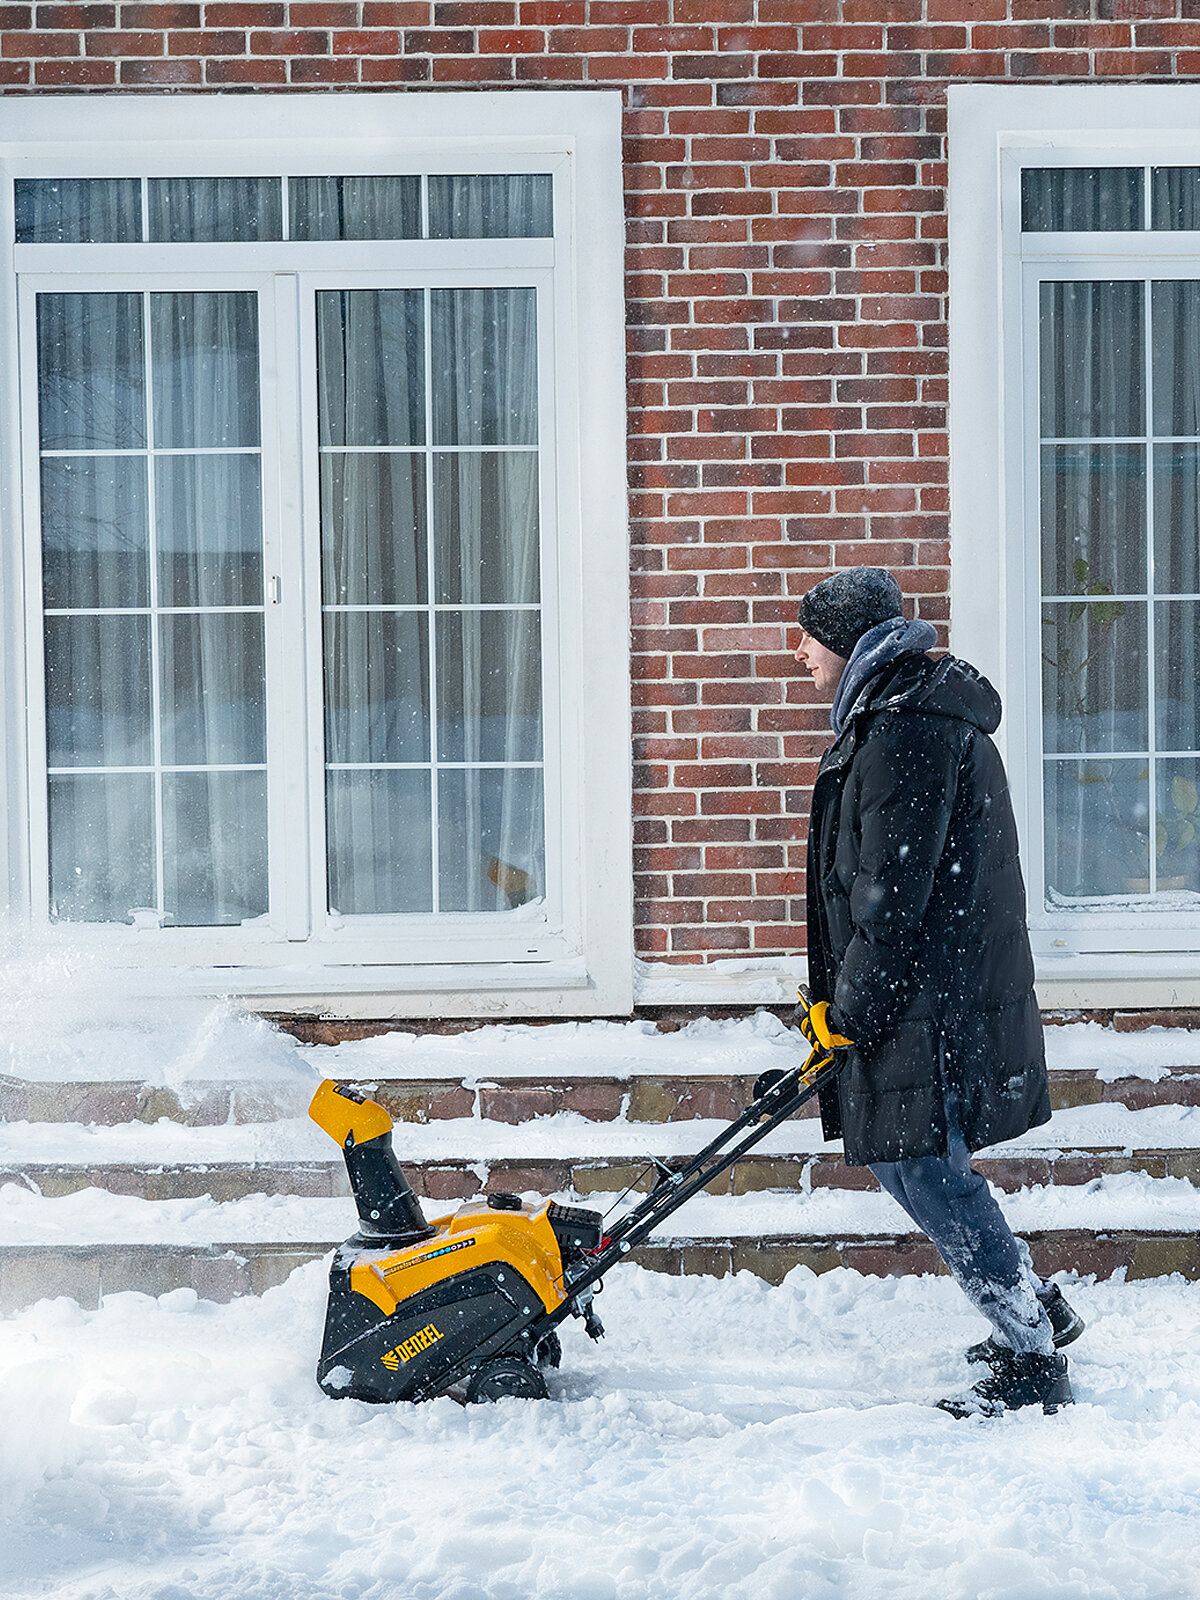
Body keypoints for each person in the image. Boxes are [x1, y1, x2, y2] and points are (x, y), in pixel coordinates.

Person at [793, 566, 1083, 1418]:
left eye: (810, 634)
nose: (799, 650)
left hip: (932, 1002)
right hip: (923, 993)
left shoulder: (905, 729)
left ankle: (1030, 1354)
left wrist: (851, 1012)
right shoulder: (897, 714)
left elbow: (891, 897)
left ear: (848, 642)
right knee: (913, 1160)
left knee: (924, 1168)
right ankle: (1032, 1304)